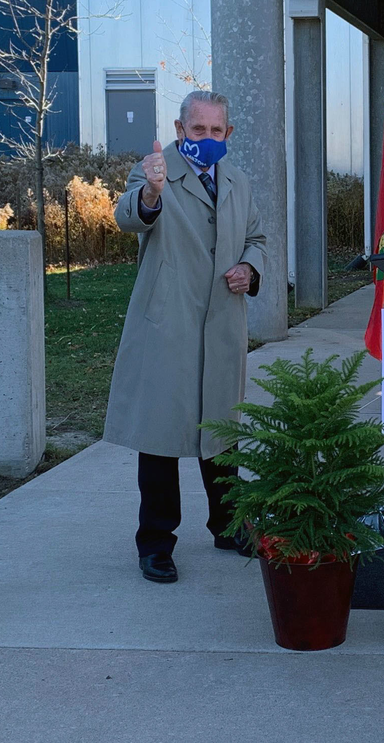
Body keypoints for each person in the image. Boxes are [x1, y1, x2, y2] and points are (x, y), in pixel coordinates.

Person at [107, 90, 268, 584]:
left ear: (228, 134)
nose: (207, 139)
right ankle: (155, 543)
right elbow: (127, 215)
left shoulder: (238, 182)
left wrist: (250, 268)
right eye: (197, 130)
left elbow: (258, 239)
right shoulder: (155, 170)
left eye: (216, 131)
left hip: (221, 322)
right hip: (168, 320)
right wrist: (153, 193)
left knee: (222, 430)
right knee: (160, 434)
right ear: (180, 130)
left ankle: (228, 524)